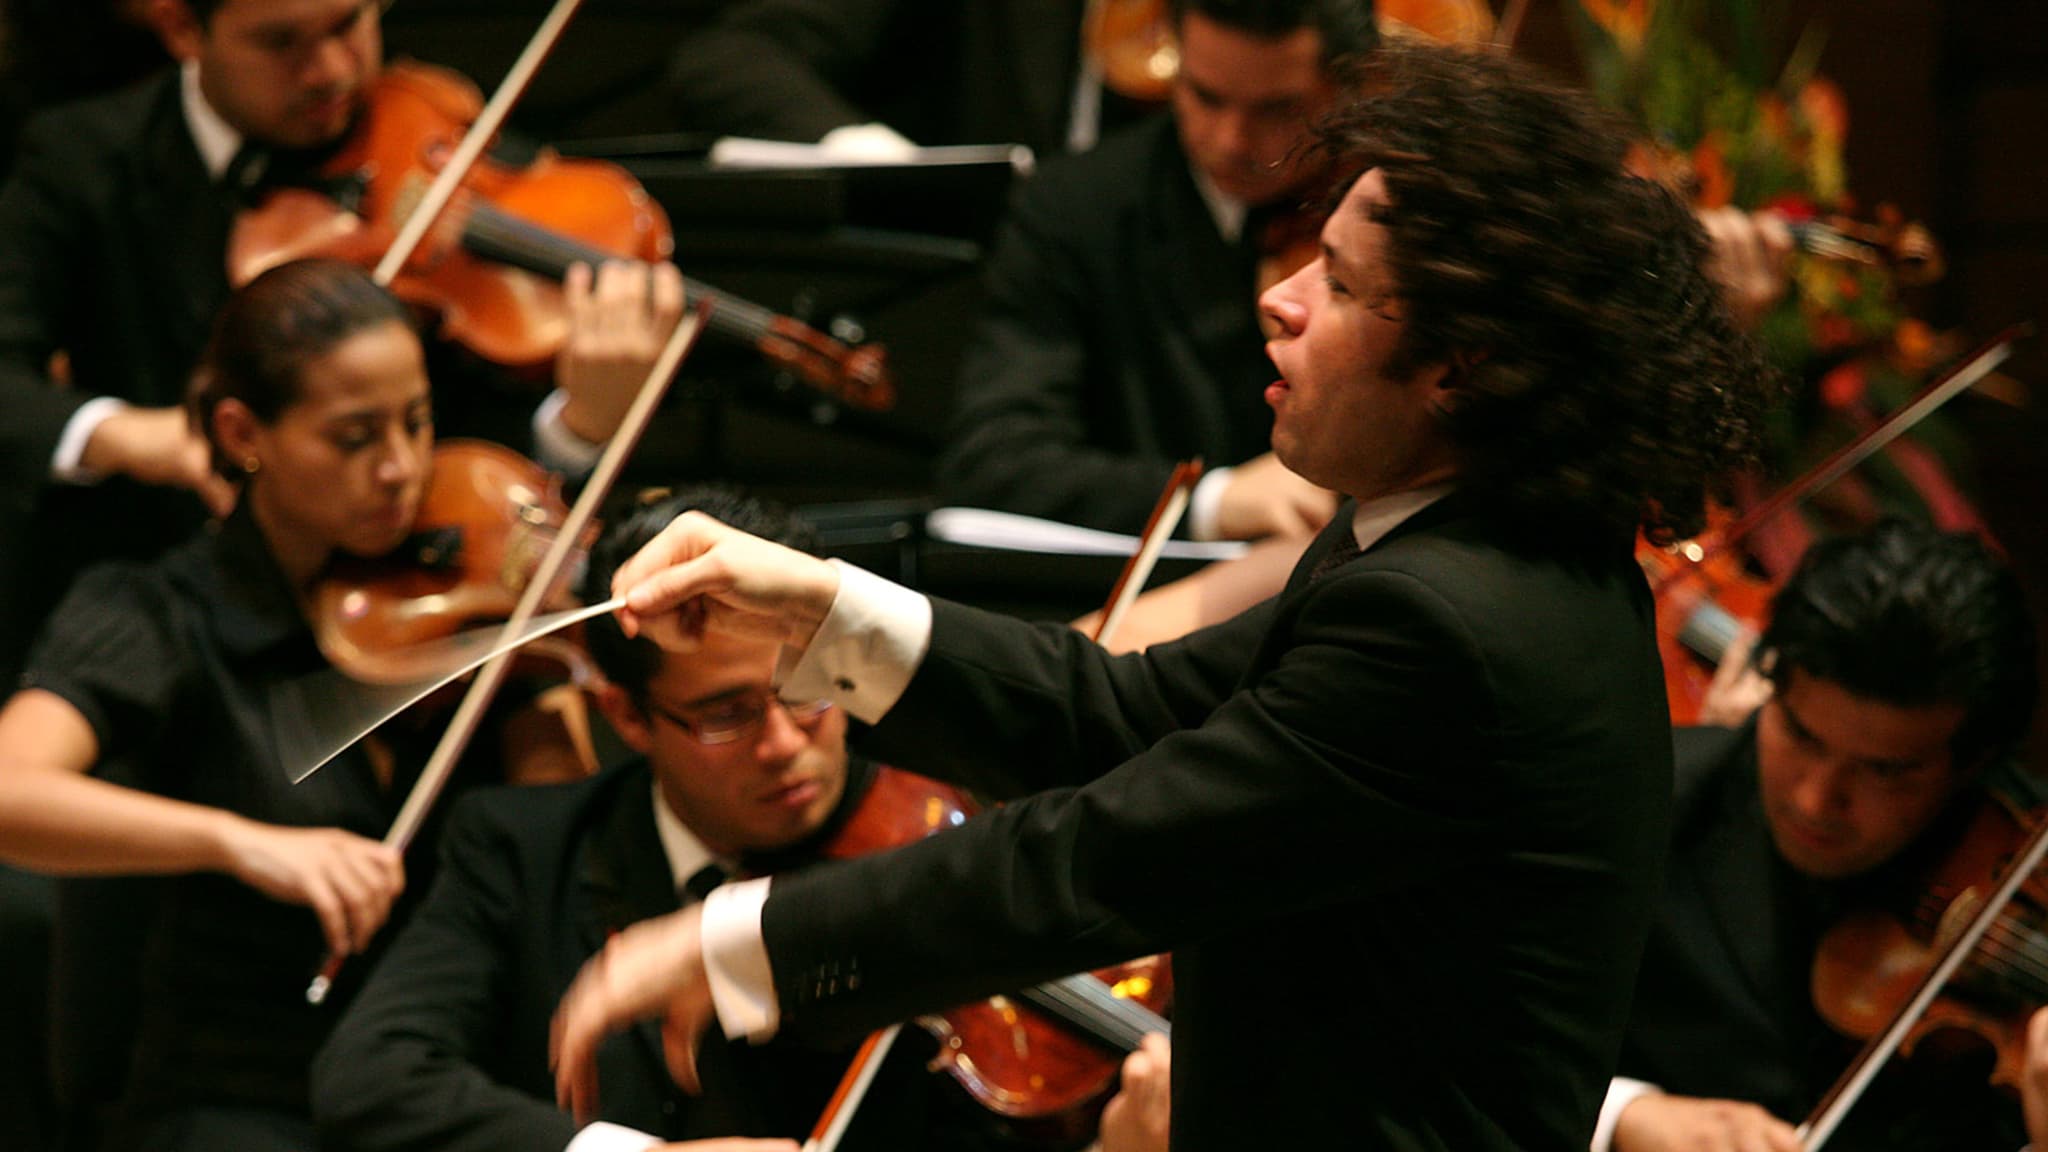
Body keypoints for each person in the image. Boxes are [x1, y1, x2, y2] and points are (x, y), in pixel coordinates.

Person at [548, 42, 1777, 1150]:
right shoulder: (1449, 542)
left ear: (1461, 367)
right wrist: (814, 605)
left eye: (1340, 286)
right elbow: (1126, 709)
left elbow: (1088, 861)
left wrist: (736, 942)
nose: (1278, 297)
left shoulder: (1449, 622)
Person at [0, 256, 675, 1152]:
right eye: (355, 438)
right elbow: (12, 790)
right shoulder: (158, 612)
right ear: (245, 433)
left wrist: (545, 677)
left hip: (440, 1093)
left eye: (418, 421)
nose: (400, 468)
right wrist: (242, 844)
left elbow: (550, 839)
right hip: (238, 1102)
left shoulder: (470, 609)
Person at [312, 488, 1024, 1152]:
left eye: (807, 690)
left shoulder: (946, 841)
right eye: (725, 715)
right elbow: (371, 1077)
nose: (781, 744)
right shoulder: (523, 847)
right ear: (627, 717)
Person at [0, 0, 681, 683]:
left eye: (348, 24)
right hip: (150, 607)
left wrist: (581, 429)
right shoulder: (82, 159)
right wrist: (132, 436)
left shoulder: (433, 143)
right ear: (182, 29)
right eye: (281, 42)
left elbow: (474, 456)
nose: (330, 71)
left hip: (398, 618)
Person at [1601, 518, 2043, 1152]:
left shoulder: (2026, 852)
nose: (1816, 799)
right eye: (1801, 736)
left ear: (1973, 762)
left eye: (1885, 772)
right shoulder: (1641, 805)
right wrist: (1626, 1118)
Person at [930, 0, 1376, 542]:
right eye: (1204, 96)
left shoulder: (1390, 214)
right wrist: (1211, 501)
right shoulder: (1076, 204)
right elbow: (993, 460)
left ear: (1347, 86)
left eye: (1277, 109)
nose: (1230, 141)